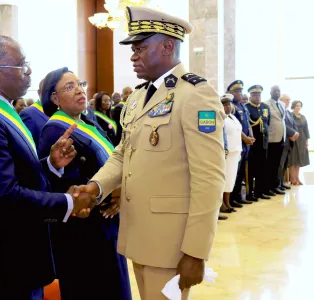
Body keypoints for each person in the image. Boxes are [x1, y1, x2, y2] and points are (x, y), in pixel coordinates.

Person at [78, 6, 225, 300]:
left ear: (168, 46)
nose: (133, 55)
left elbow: (209, 178)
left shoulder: (195, 94)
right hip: (140, 235)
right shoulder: (137, 98)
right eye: (134, 48)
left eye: (141, 47)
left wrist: (196, 251)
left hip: (171, 243)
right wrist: (95, 186)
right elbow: (123, 153)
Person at [0, 34, 96, 300]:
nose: (29, 71)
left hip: (17, 258)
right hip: (1, 263)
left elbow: (15, 176)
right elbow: (4, 196)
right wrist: (67, 203)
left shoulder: (0, 110)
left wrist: (50, 165)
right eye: (21, 66)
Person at [37, 67, 132, 300]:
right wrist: (112, 194)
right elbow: (61, 184)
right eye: (69, 87)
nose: (79, 90)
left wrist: (120, 194)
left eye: (79, 84)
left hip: (105, 223)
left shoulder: (87, 122)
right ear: (54, 98)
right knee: (92, 287)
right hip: (83, 232)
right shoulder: (55, 131)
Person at [228, 80, 255, 206]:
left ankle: (238, 196)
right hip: (237, 143)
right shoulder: (231, 106)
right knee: (235, 172)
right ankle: (232, 198)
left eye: (240, 91)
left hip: (245, 144)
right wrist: (245, 138)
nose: (240, 93)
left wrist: (251, 136)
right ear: (231, 93)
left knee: (242, 172)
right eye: (237, 91)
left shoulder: (243, 106)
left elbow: (247, 124)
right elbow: (234, 126)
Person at [245, 85, 272, 200]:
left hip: (264, 143)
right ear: (250, 95)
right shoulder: (247, 107)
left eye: (259, 94)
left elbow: (267, 123)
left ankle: (259, 192)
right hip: (253, 143)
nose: (257, 97)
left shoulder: (265, 107)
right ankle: (250, 193)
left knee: (262, 168)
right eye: (255, 95)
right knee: (252, 169)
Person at [221, 94, 242, 214]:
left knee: (231, 179)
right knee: (225, 179)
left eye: (228, 104)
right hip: (227, 153)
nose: (227, 107)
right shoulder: (221, 118)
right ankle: (222, 204)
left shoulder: (233, 118)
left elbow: (239, 132)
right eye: (224, 104)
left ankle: (227, 202)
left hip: (236, 152)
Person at [264, 85, 286, 195]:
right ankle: (268, 187)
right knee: (270, 165)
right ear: (270, 92)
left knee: (277, 164)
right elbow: (265, 121)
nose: (277, 92)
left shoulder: (282, 104)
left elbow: (282, 120)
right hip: (272, 138)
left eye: (279, 90)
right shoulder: (266, 104)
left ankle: (275, 186)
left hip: (282, 137)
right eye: (275, 91)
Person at [20, 79, 50, 145]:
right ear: (39, 92)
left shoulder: (60, 111)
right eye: (47, 90)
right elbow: (25, 146)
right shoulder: (28, 114)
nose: (50, 94)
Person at [279, 94, 299, 189]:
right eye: (286, 100)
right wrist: (292, 134)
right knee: (280, 163)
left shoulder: (288, 112)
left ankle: (282, 182)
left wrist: (295, 133)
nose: (288, 102)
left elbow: (293, 124)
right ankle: (277, 184)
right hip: (283, 140)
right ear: (281, 100)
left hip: (290, 141)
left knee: (285, 164)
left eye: (289, 100)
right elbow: (282, 125)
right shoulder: (280, 110)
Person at [288, 100, 310, 185]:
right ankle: (292, 178)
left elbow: (306, 129)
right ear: (293, 106)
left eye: (300, 106)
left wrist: (307, 141)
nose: (298, 107)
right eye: (297, 105)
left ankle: (297, 178)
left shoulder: (303, 117)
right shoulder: (289, 115)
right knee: (292, 159)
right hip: (293, 138)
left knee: (299, 160)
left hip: (302, 139)